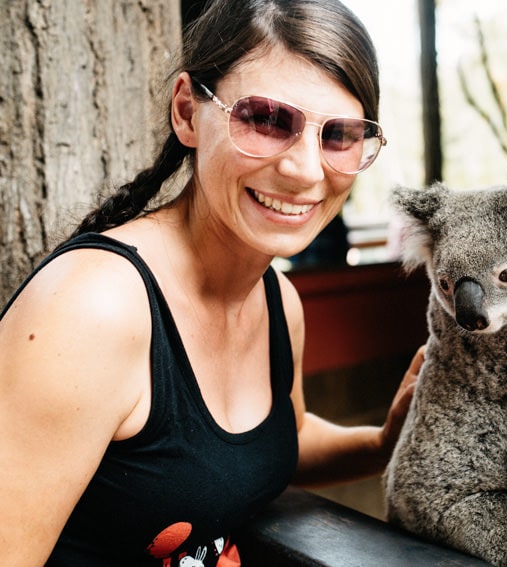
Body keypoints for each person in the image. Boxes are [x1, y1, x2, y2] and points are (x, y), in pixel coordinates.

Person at [0, 0, 423, 565]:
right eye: (268, 119)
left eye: (339, 135)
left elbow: (270, 444)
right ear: (186, 112)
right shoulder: (92, 310)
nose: (305, 169)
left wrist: (384, 443)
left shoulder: (278, 301)